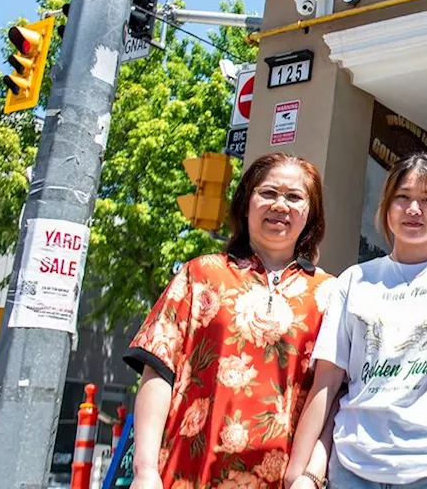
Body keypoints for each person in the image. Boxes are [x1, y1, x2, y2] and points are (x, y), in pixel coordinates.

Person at [287, 152, 427, 489]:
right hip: (351, 467)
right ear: (386, 208)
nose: (414, 209)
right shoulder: (353, 281)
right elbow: (327, 382)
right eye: (403, 198)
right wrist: (297, 473)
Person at [125, 152, 334, 489]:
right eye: (268, 193)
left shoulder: (329, 294)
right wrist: (145, 470)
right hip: (186, 473)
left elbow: (332, 395)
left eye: (295, 197)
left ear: (310, 214)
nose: (280, 205)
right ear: (246, 202)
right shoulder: (201, 273)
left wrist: (311, 475)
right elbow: (158, 370)